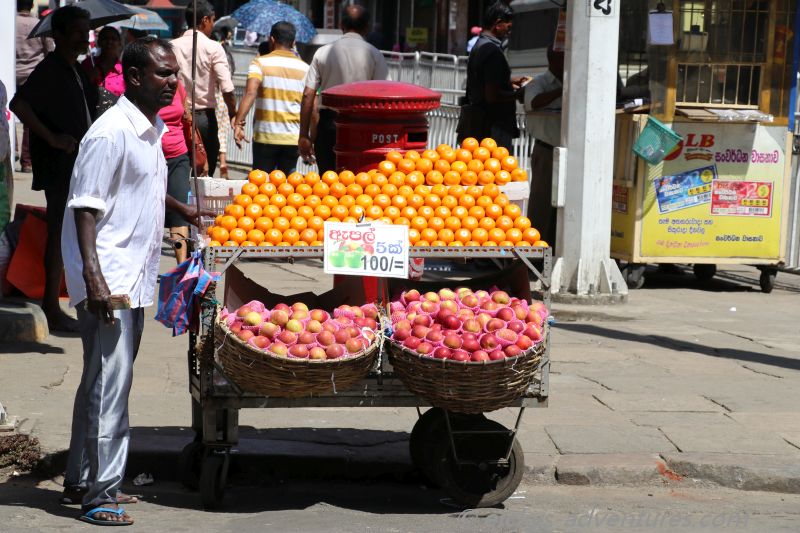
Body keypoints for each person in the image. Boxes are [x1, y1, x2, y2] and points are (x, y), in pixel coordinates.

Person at [60, 36, 207, 525]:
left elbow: (142, 188)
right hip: (111, 280)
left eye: (175, 74)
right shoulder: (110, 133)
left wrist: (181, 210)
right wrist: (95, 281)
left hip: (132, 274)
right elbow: (85, 207)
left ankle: (81, 478)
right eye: (165, 74)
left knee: (98, 381)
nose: (174, 82)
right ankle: (100, 494)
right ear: (137, 78)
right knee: (111, 385)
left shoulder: (149, 128)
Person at [10, 5, 98, 333]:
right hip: (60, 166)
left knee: (71, 235)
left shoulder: (74, 69)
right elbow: (19, 104)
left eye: (86, 32)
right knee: (60, 234)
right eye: (77, 32)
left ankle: (61, 301)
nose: (83, 38)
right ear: (58, 36)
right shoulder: (51, 68)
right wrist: (52, 137)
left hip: (78, 164)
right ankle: (50, 303)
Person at [299, 4, 389, 172]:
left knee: (327, 181)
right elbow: (384, 95)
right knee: (360, 182)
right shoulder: (375, 54)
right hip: (363, 128)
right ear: (367, 27)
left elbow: (307, 95)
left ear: (341, 25)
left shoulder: (322, 53)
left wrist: (304, 135)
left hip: (328, 126)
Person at [234, 21, 309, 174]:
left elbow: (250, 93)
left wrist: (238, 123)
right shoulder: (305, 68)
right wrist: (308, 136)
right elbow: (310, 103)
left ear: (272, 40)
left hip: (265, 136)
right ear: (293, 42)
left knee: (262, 186)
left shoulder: (260, 63)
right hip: (292, 138)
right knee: (287, 188)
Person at [171, 0, 236, 177]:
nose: (212, 26)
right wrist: (233, 114)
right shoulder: (214, 47)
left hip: (177, 117)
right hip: (204, 119)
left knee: (179, 169)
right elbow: (227, 88)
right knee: (204, 176)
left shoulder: (171, 46)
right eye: (213, 20)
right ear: (205, 20)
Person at [457, 2, 525, 150]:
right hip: (492, 130)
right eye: (508, 27)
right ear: (498, 23)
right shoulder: (492, 51)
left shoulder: (479, 45)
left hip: (480, 126)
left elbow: (484, 81)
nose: (509, 32)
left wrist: (509, 83)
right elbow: (492, 96)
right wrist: (518, 94)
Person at [522, 46, 563, 248]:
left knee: (562, 207)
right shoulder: (539, 83)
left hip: (569, 153)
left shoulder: (574, 81)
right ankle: (535, 251)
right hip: (547, 150)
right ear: (554, 59)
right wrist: (560, 91)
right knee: (542, 205)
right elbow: (532, 102)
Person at [16, 0, 54, 173]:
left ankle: (13, 151)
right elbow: (50, 51)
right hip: (33, 76)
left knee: (5, 115)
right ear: (32, 5)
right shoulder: (39, 25)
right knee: (29, 121)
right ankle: (26, 161)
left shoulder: (10, 23)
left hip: (11, 73)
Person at [159, 79, 192, 263]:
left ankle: (182, 269)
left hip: (178, 155)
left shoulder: (178, 86)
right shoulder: (145, 86)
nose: (171, 76)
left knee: (180, 211)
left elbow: (186, 117)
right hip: (149, 154)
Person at [81, 26, 125, 97]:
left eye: (113, 39)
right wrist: (89, 77)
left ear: (119, 43)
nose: (109, 42)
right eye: (105, 38)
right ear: (99, 42)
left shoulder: (124, 69)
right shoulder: (88, 64)